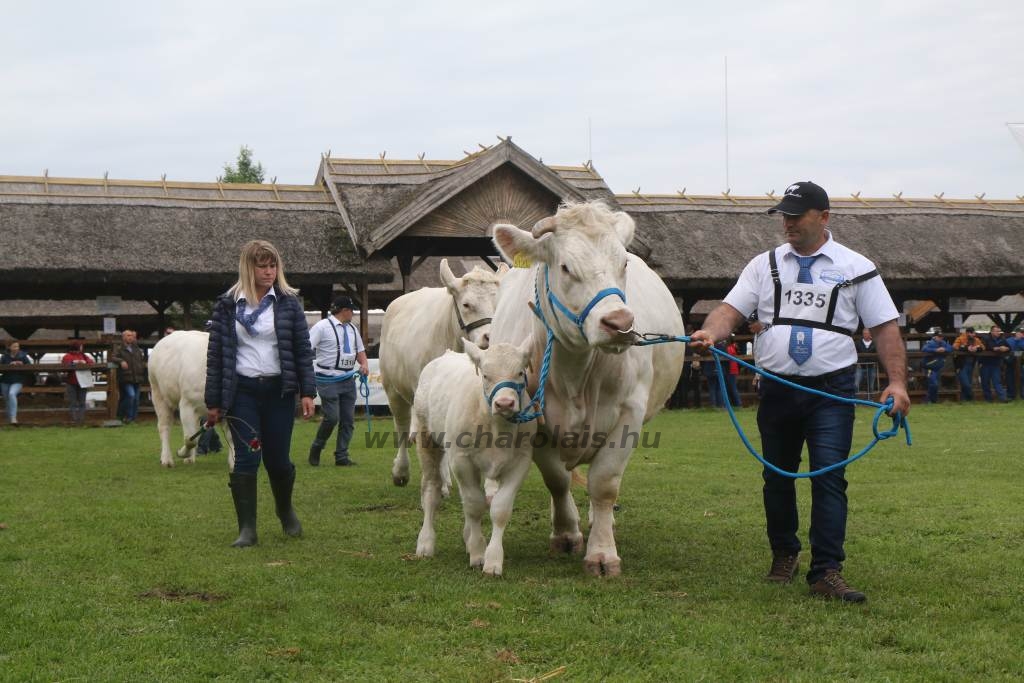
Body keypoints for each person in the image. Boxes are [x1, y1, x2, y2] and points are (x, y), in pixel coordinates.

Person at [691, 181, 910, 604]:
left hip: (832, 391)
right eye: (784, 214)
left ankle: (826, 570)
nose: (788, 222)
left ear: (824, 217)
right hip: (777, 388)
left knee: (829, 477)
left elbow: (885, 327)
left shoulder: (856, 266)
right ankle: (784, 553)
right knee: (777, 476)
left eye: (797, 214)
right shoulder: (763, 265)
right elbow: (729, 311)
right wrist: (710, 333)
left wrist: (897, 382)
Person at [205, 239, 316, 548]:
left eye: (273, 265)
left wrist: (307, 391)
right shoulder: (228, 304)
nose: (269, 272)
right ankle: (247, 529)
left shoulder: (288, 302)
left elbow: (302, 350)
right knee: (246, 457)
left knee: (278, 460)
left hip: (279, 392)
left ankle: (285, 510)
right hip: (243, 393)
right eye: (262, 266)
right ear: (248, 268)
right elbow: (216, 355)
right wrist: (213, 402)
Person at [307, 295, 369, 466]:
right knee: (332, 418)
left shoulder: (352, 329)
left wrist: (363, 364)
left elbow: (360, 351)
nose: (353, 314)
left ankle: (341, 456)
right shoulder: (321, 327)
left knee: (348, 420)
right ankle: (317, 447)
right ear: (345, 311)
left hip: (348, 379)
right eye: (351, 310)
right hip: (327, 379)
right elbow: (306, 349)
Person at [112, 329, 147, 423]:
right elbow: (113, 357)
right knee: (131, 396)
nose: (130, 337)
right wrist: (121, 361)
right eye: (128, 335)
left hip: (137, 377)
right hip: (126, 377)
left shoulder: (137, 349)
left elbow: (141, 360)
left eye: (131, 335)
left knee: (136, 399)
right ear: (123, 337)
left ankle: (133, 418)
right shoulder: (119, 348)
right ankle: (127, 416)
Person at [62, 340, 95, 425]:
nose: (82, 347)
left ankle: (81, 420)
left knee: (82, 402)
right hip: (71, 382)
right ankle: (74, 420)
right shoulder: (67, 356)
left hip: (83, 382)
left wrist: (85, 362)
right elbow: (64, 365)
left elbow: (91, 362)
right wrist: (74, 363)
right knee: (72, 402)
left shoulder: (83, 356)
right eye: (81, 346)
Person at [1, 341, 33, 426]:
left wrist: (22, 364)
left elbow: (30, 366)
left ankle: (13, 418)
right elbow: (1, 368)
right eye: (14, 346)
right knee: (7, 399)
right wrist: (9, 365)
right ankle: (10, 419)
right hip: (5, 380)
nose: (16, 348)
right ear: (10, 347)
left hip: (18, 380)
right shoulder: (4, 357)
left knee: (12, 394)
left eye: (17, 346)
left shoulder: (23, 356)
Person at [920, 327, 953, 404]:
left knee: (935, 384)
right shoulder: (930, 343)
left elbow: (950, 348)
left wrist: (945, 350)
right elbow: (924, 349)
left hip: (937, 368)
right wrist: (936, 350)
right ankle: (929, 400)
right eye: (939, 336)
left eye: (941, 337)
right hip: (929, 367)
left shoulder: (943, 343)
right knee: (933, 384)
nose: (940, 338)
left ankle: (932, 401)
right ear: (934, 337)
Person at [979, 326, 1010, 402]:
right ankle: (988, 399)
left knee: (997, 381)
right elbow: (985, 347)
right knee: (985, 382)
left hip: (996, 364)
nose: (998, 333)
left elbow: (1009, 347)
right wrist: (996, 348)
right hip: (985, 363)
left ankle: (1002, 398)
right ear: (992, 331)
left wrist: (1006, 348)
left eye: (999, 331)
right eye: (996, 331)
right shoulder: (985, 338)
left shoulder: (1002, 339)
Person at [952, 327, 983, 401]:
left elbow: (982, 347)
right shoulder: (960, 338)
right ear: (968, 333)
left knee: (967, 383)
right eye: (972, 333)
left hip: (971, 364)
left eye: (974, 333)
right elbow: (955, 346)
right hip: (961, 365)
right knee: (966, 384)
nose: (974, 334)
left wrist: (977, 348)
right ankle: (971, 397)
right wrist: (967, 348)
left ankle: (964, 400)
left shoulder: (976, 340)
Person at [853, 328, 877, 396]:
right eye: (864, 333)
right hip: (860, 366)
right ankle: (855, 399)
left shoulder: (875, 343)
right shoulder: (858, 343)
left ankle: (870, 399)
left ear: (870, 334)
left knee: (871, 384)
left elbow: (878, 355)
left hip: (871, 366)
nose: (865, 335)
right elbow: (854, 353)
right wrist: (857, 363)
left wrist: (875, 363)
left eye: (867, 333)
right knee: (856, 383)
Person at [724, 336, 742, 407]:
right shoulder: (733, 347)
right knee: (732, 387)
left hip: (731, 370)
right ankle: (735, 404)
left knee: (733, 388)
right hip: (733, 370)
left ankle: (738, 403)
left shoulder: (729, 348)